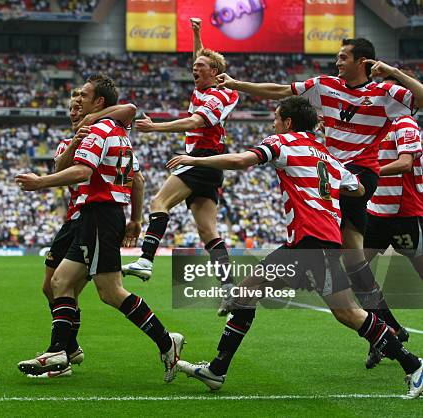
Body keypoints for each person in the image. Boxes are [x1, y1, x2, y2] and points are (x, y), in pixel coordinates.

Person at [167, 96, 423, 400]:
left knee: (345, 312)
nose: (273, 122)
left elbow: (240, 161)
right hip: (318, 240)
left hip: (310, 240)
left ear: (288, 122)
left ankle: (414, 364)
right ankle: (217, 369)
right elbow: (358, 187)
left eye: (276, 117)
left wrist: (193, 160)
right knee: (253, 292)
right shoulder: (326, 155)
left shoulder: (281, 142)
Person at [216, 37, 423, 361]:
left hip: (356, 176)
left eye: (343, 57)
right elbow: (281, 91)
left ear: (363, 62)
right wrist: (238, 83)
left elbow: (421, 99)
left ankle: (385, 334)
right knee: (354, 262)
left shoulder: (384, 92)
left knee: (342, 254)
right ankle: (387, 332)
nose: (337, 62)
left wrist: (392, 71)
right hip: (332, 170)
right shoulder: (324, 85)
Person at [16, 74, 184, 381]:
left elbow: (82, 171)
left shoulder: (99, 129)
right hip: (102, 215)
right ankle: (60, 351)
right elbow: (132, 173)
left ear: (99, 102)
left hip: (98, 214)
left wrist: (40, 183)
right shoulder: (118, 131)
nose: (77, 101)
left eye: (84, 95)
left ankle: (165, 340)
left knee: (110, 292)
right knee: (60, 282)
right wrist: (134, 218)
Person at [122, 17, 238, 295]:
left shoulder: (219, 96)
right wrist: (196, 34)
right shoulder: (204, 88)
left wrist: (155, 127)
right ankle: (229, 287)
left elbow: (194, 123)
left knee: (158, 200)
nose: (194, 68)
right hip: (209, 164)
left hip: (201, 158)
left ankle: (146, 260)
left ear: (215, 72)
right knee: (208, 232)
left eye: (200, 67)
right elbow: (201, 56)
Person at [35, 88, 138, 378]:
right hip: (73, 218)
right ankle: (69, 347)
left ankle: (61, 353)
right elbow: (60, 167)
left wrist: (136, 218)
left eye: (79, 108)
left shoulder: (106, 134)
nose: (74, 112)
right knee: (51, 287)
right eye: (71, 109)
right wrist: (73, 145)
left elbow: (136, 177)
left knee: (69, 285)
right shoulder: (70, 142)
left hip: (92, 216)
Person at [363, 75, 422, 368]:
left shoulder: (405, 123)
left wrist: (368, 174)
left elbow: (406, 163)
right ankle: (389, 332)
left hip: (405, 215)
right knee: (355, 271)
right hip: (376, 214)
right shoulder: (376, 126)